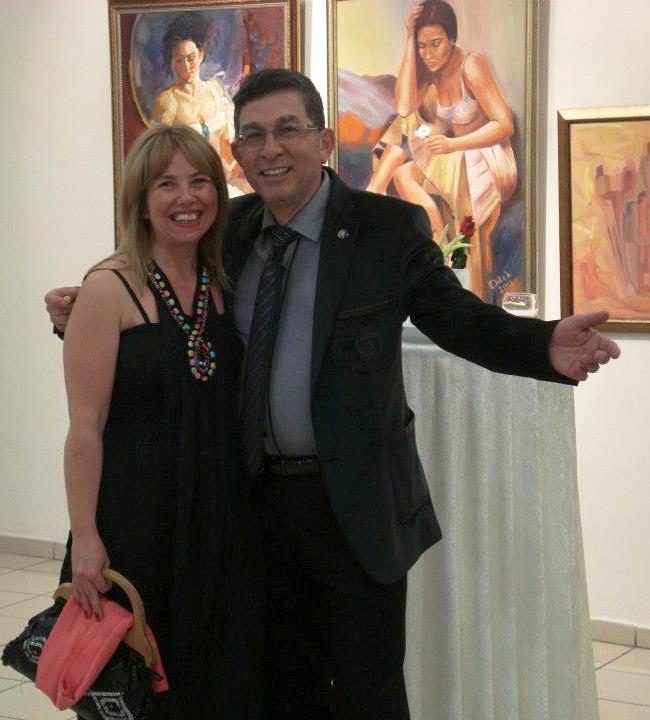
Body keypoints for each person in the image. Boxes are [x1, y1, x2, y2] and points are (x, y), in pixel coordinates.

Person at [46, 69, 620, 720]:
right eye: (254, 135)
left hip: (354, 510)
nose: (271, 148)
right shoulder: (230, 230)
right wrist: (85, 307)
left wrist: (541, 344)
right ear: (238, 154)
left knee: (366, 695)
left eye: (287, 130)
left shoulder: (386, 229)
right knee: (274, 692)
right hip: (253, 512)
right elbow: (165, 302)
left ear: (322, 141)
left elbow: (455, 318)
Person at [58, 124, 263, 719]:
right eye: (166, 184)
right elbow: (84, 428)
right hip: (136, 527)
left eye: (200, 181)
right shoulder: (108, 288)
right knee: (138, 693)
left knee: (218, 687)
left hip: (219, 523)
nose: (186, 197)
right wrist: (86, 537)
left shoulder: (224, 281)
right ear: (141, 201)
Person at [367, 0, 517, 298]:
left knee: (464, 214)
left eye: (435, 43)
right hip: (450, 155)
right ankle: (434, 230)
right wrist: (409, 41)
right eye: (422, 46)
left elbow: (504, 125)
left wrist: (453, 144)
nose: (429, 54)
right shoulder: (427, 72)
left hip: (487, 158)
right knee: (405, 140)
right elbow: (404, 107)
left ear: (451, 38)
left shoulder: (471, 65)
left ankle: (377, 188)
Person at [151, 11, 253, 195]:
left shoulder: (215, 90)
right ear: (172, 62)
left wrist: (236, 174)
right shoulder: (167, 100)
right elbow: (158, 157)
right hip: (186, 187)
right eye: (179, 60)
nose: (186, 66)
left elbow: (231, 142)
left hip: (222, 177)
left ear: (201, 55)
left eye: (190, 58)